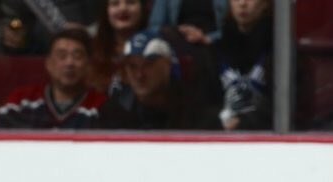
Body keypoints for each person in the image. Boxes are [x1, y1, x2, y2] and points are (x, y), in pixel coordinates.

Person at [99, 30, 219, 130]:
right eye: (132, 66)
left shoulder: (198, 114)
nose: (139, 75)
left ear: (168, 64)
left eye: (148, 64)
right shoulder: (115, 113)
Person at [0, 28, 105, 129]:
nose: (69, 63)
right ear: (48, 64)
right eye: (62, 56)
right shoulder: (21, 102)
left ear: (88, 65)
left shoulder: (102, 107)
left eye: (77, 56)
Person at [212, 0, 271, 131]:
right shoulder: (214, 51)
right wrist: (220, 121)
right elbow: (201, 106)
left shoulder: (281, 53)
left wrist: (244, 122)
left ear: (265, 4)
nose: (242, 3)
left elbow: (288, 109)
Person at [89, 0, 147, 97]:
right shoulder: (92, 48)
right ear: (106, 11)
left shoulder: (155, 46)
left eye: (131, 2)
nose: (123, 8)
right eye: (115, 3)